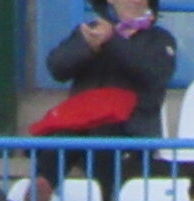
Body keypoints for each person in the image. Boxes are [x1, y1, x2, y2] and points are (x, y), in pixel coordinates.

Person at [41, 0, 177, 161]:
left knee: (104, 133)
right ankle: (41, 183)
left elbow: (153, 73)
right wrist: (86, 47)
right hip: (82, 126)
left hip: (132, 134)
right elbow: (57, 69)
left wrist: (113, 40)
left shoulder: (160, 39)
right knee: (58, 140)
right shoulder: (92, 31)